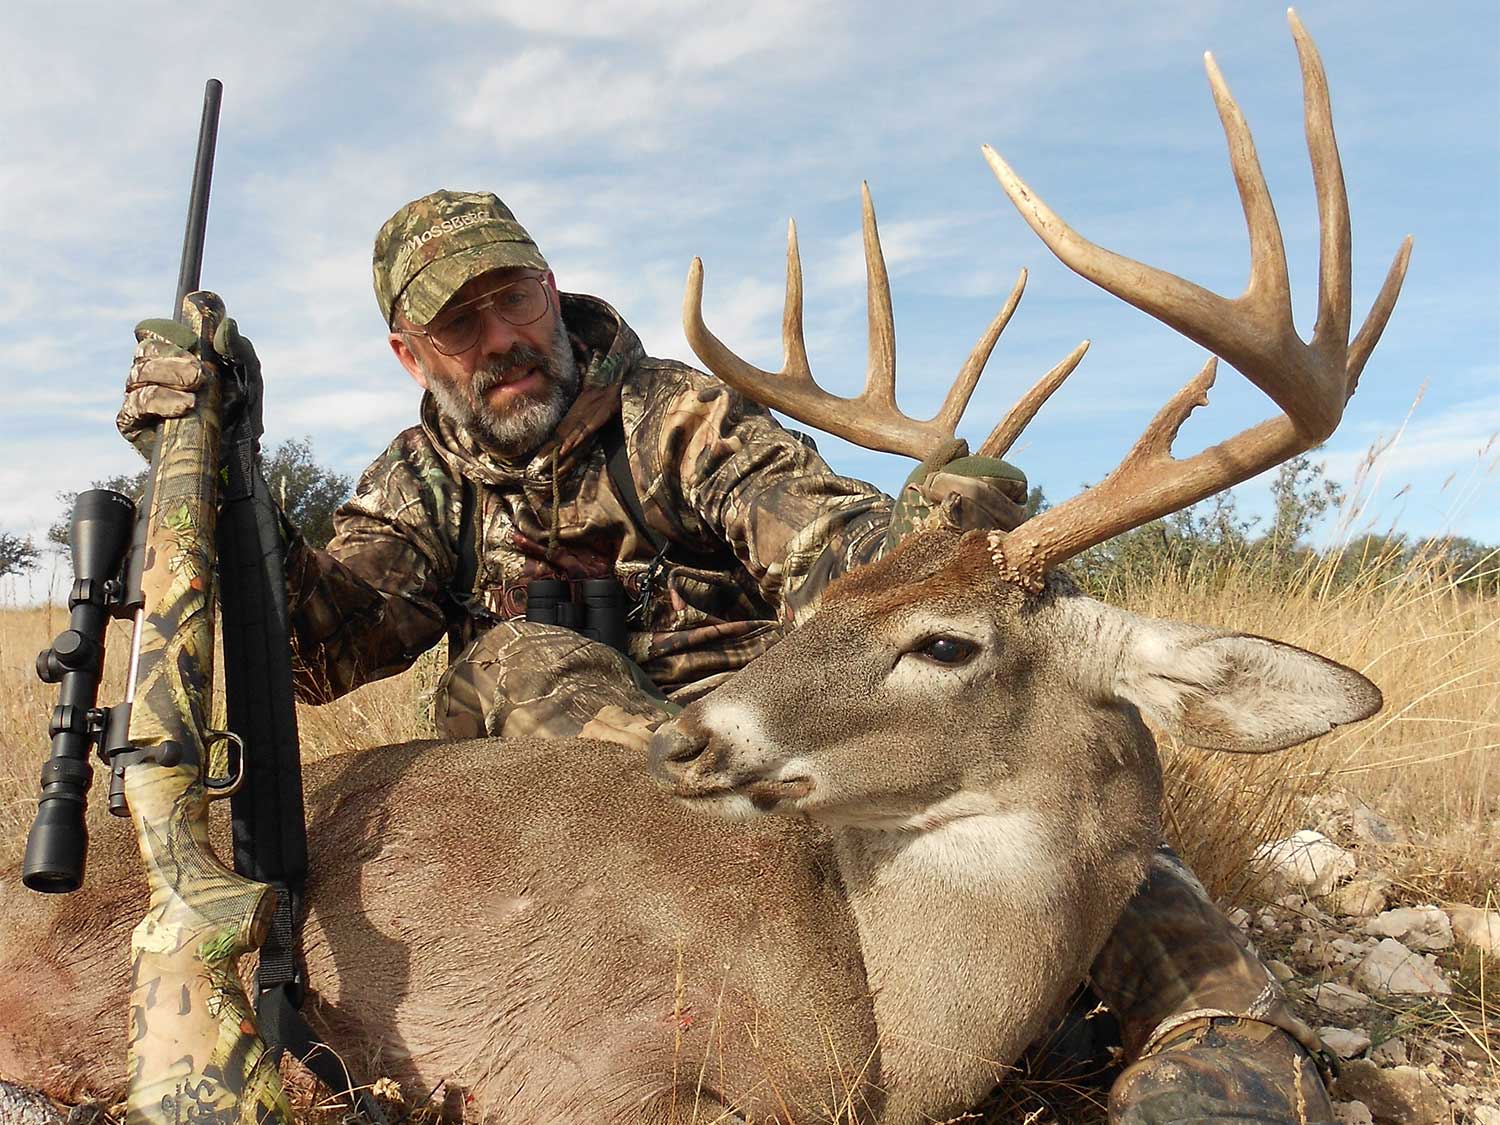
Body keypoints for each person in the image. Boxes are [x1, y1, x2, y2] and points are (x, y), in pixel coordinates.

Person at [120, 188, 1340, 1122]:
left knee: (1060, 769)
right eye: (460, 323)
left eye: (514, 299)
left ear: (551, 288)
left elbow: (832, 549)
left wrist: (938, 549)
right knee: (521, 660)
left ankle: (1216, 1031)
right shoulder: (419, 482)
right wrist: (216, 493)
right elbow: (322, 650)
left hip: (802, 717)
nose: (500, 337)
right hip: (612, 781)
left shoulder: (683, 417)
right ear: (412, 352)